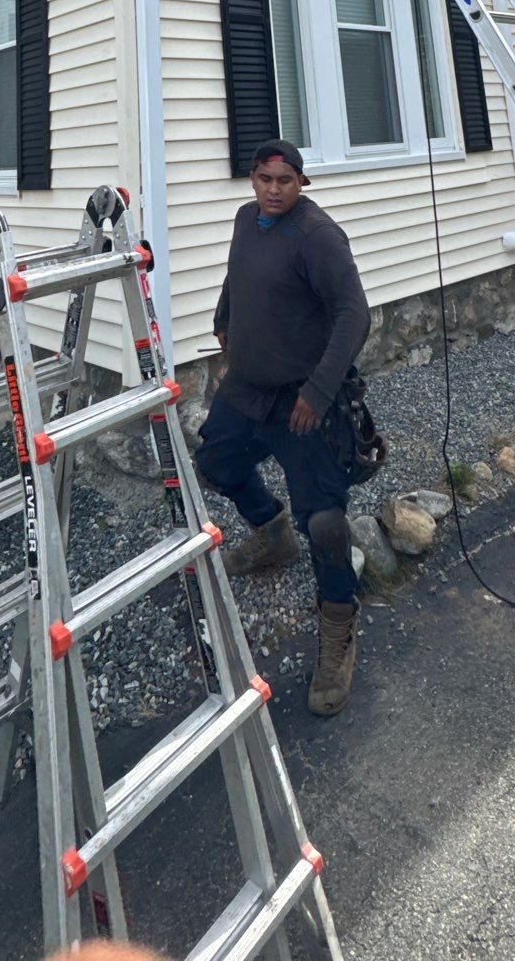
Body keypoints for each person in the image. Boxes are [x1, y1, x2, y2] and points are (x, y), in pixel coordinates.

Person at [196, 139, 370, 716]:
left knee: (323, 521)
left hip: (302, 404)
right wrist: (225, 323)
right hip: (245, 390)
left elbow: (354, 315)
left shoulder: (317, 237)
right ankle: (271, 533)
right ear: (252, 180)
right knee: (216, 465)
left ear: (303, 183)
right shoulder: (249, 221)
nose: (274, 189)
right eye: (265, 178)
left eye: (286, 180)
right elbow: (237, 276)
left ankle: (339, 629)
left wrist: (319, 392)